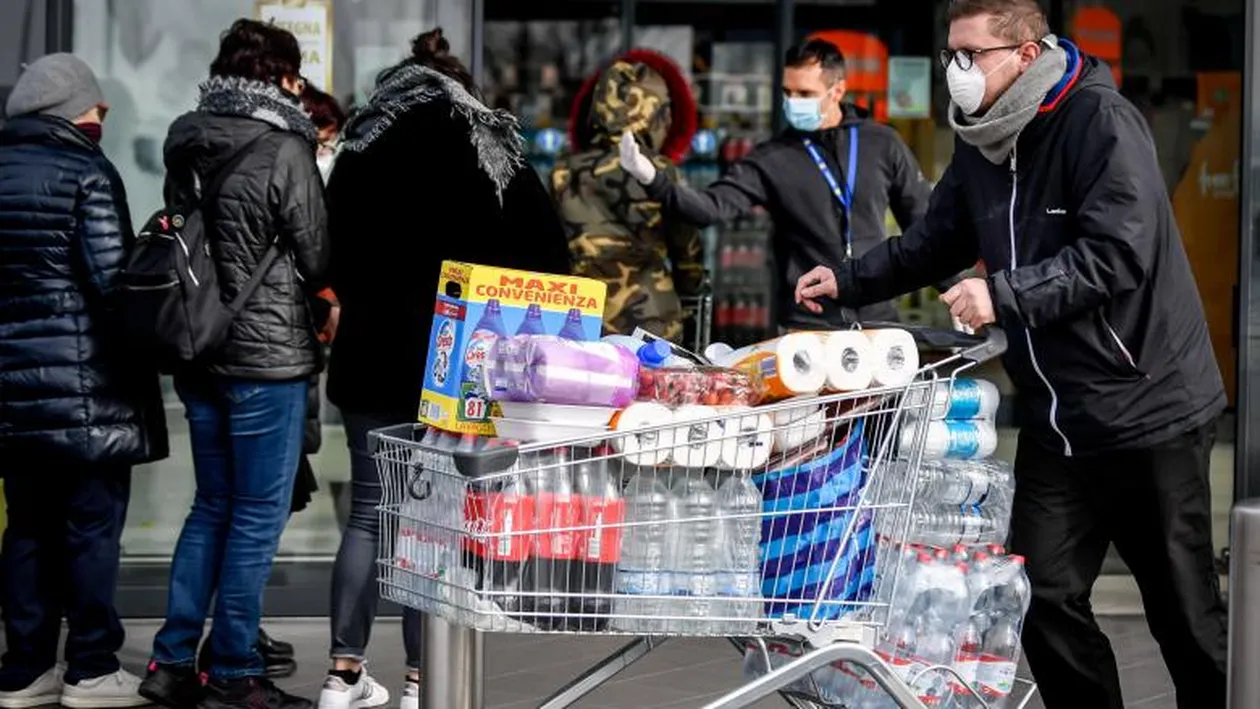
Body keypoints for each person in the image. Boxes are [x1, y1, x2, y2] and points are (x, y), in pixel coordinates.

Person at [793, 1, 1227, 707]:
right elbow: (934, 241)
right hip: (1061, 422)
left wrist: (1006, 295)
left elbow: (1120, 253)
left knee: (1182, 612)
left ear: (1026, 55)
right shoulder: (982, 140)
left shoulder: (1099, 122)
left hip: (1150, 407)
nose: (956, 71)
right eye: (949, 55)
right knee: (1039, 593)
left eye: (971, 55)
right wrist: (849, 276)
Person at [321, 27, 570, 709]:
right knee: (431, 522)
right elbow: (552, 258)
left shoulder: (361, 149)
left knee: (370, 511)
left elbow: (326, 257)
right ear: (460, 87)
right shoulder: (490, 146)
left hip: (370, 357)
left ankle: (342, 674)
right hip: (457, 367)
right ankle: (417, 680)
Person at [138, 18, 329, 709]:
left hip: (199, 348)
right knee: (255, 513)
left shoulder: (185, 136)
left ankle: (170, 661)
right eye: (294, 75)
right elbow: (316, 252)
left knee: (211, 503)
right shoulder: (285, 146)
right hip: (266, 354)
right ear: (280, 76)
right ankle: (235, 669)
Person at [0, 53, 168, 709]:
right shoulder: (85, 170)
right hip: (84, 388)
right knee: (92, 527)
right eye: (98, 107)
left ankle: (26, 667)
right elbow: (109, 285)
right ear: (74, 106)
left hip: (11, 391)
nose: (102, 117)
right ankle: (92, 665)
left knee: (28, 527)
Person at [619, 39, 950, 328]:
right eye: (787, 92)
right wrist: (651, 177)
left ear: (837, 91)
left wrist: (952, 287)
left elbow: (923, 223)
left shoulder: (882, 142)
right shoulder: (771, 157)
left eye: (805, 93)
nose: (793, 102)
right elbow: (709, 208)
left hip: (878, 317)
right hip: (808, 322)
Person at [552, 50, 704, 342]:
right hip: (652, 319)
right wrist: (692, 291)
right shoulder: (659, 172)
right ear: (654, 114)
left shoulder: (562, 172)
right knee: (653, 388)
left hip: (579, 320)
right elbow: (687, 252)